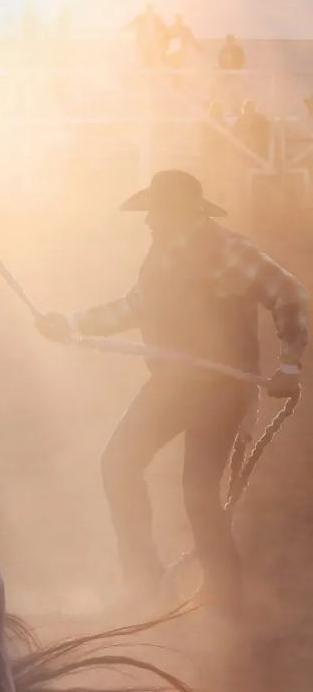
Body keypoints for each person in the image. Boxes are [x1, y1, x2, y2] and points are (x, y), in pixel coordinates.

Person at [35, 170, 306, 616]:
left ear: (179, 213)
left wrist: (290, 364)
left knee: (197, 492)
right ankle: (144, 582)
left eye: (155, 213)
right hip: (173, 383)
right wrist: (70, 324)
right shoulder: (162, 252)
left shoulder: (226, 251)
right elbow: (134, 307)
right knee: (118, 463)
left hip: (222, 388)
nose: (148, 223)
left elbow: (289, 293)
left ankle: (225, 599)